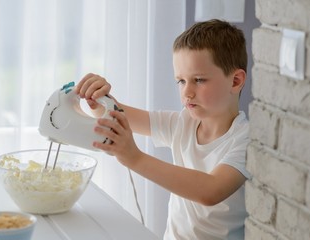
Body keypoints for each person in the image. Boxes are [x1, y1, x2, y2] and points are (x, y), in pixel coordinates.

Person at [76, 19, 251, 240]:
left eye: (198, 80)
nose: (187, 92)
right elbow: (116, 114)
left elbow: (210, 190)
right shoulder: (182, 123)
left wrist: (135, 158)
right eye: (181, 81)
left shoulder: (246, 140)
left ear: (235, 81)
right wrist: (99, 98)